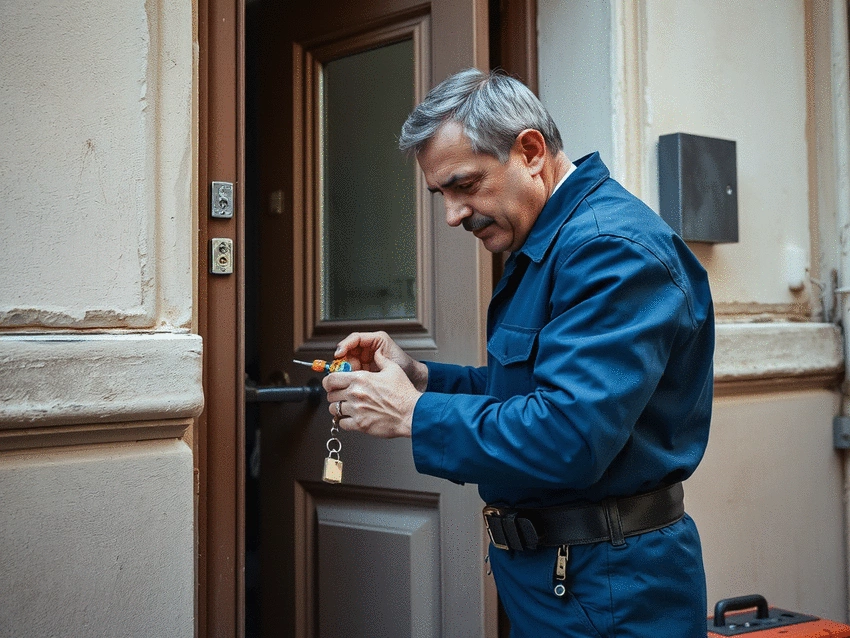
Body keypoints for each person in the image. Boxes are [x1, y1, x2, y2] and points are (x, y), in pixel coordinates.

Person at [323, 68, 714, 637]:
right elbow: (528, 393)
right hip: (563, 579)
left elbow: (568, 435)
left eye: (465, 185)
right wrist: (422, 378)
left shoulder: (609, 250)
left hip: (608, 590)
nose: (454, 214)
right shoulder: (555, 242)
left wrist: (411, 413)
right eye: (442, 195)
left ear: (530, 151)